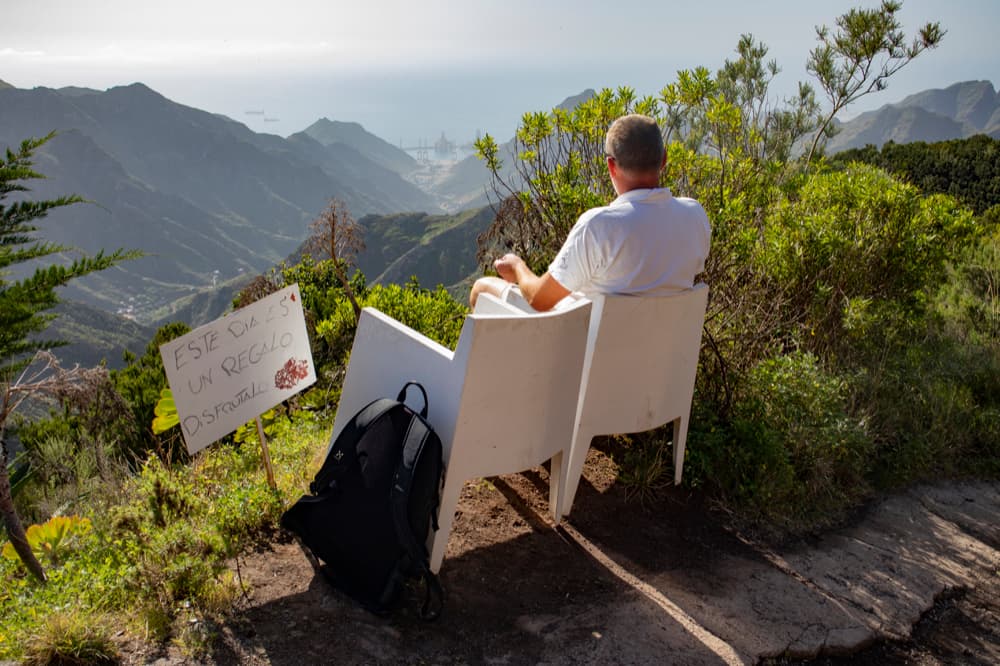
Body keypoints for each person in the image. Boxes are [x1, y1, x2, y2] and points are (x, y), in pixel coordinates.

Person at [469, 114, 711, 312]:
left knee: (481, 288)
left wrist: (518, 267)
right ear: (664, 159)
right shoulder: (694, 216)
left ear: (611, 166)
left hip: (583, 353)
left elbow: (539, 300)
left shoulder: (599, 226)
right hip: (658, 363)